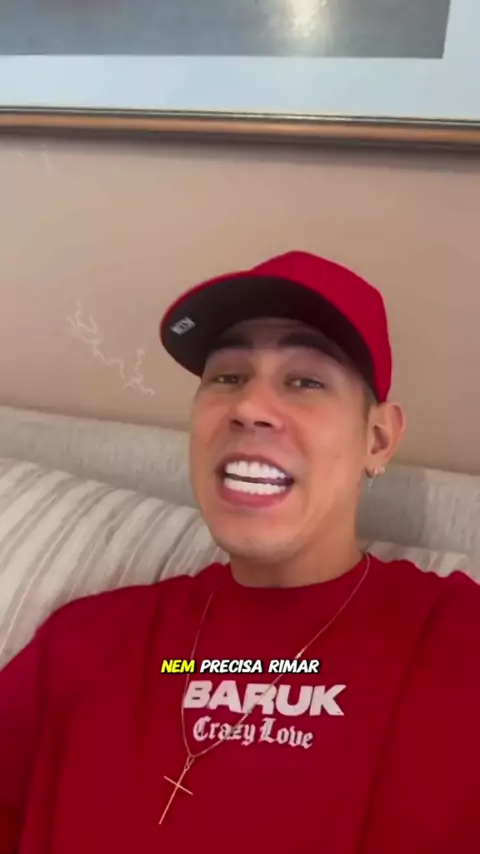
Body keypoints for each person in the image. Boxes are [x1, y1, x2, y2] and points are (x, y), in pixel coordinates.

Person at [1, 250, 479, 854]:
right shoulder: (83, 643)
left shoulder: (456, 642)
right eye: (227, 377)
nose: (248, 408)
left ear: (378, 438)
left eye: (306, 381)